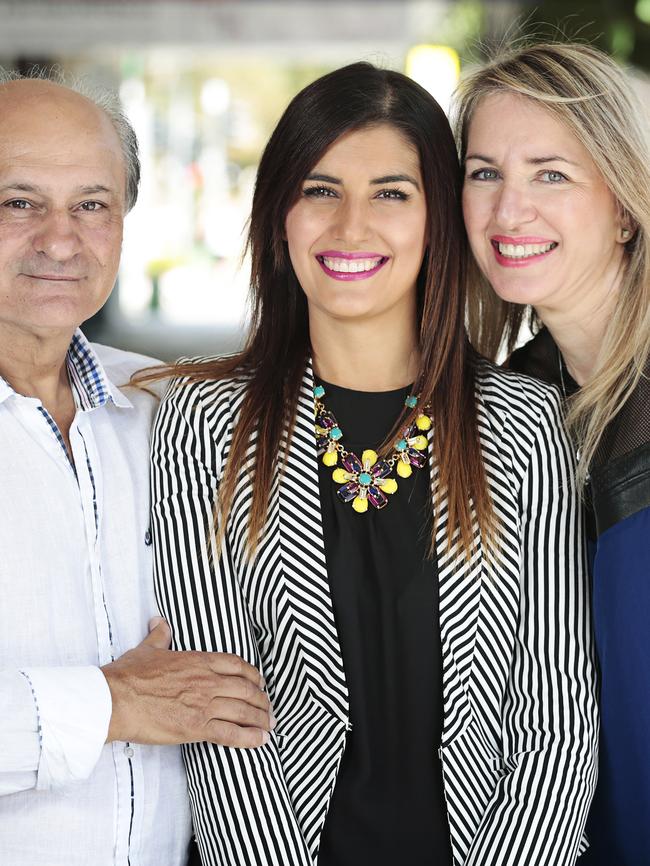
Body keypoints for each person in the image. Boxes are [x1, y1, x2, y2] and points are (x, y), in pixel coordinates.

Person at [149, 62, 597, 866]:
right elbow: (219, 720)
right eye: (320, 190)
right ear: (279, 217)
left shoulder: (523, 425)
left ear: (438, 220)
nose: (351, 226)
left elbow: (558, 718)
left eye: (391, 193)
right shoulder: (202, 424)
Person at [0, 72, 273, 865]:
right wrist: (108, 704)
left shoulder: (165, 411)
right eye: (19, 202)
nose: (60, 239)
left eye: (92, 204)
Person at [457, 41, 650, 866]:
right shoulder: (509, 413)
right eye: (482, 172)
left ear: (625, 204)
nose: (508, 211)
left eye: (551, 173)